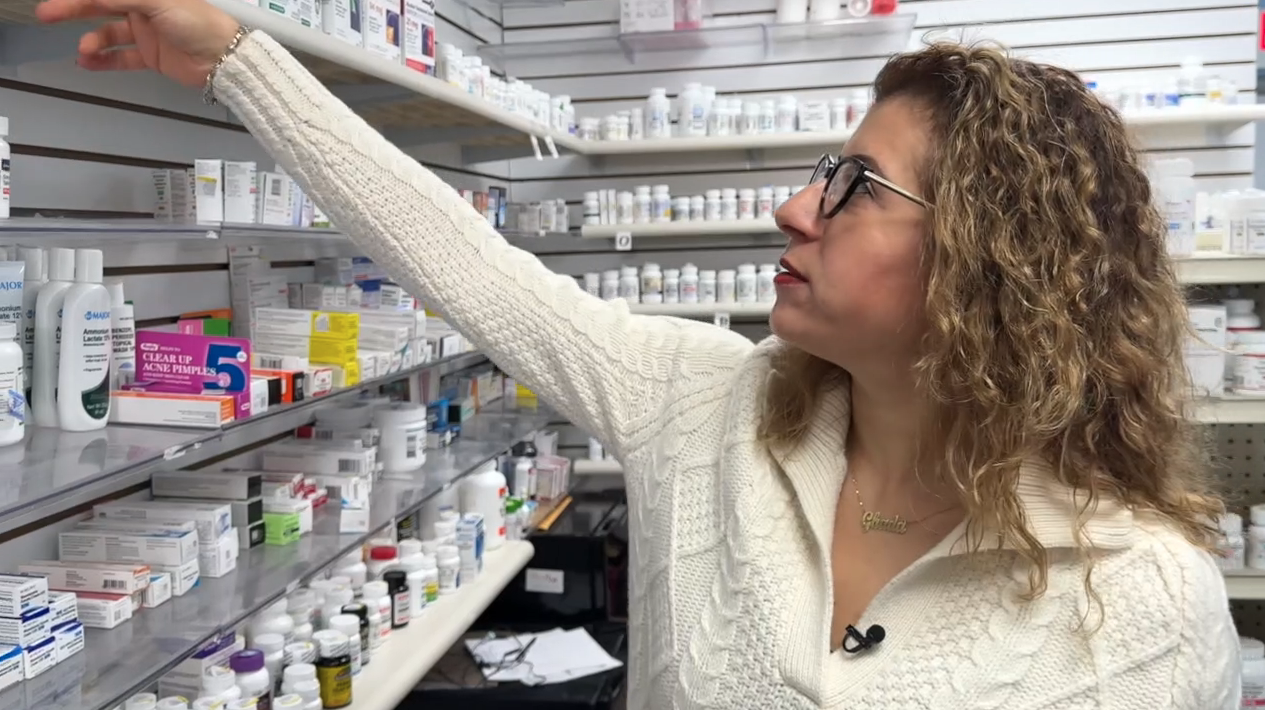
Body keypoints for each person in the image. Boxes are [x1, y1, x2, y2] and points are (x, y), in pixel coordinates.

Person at [34, 0, 1240, 704]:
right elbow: (465, 262)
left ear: (992, 260)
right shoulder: (705, 402)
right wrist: (234, 56)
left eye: (854, 186)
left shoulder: (1141, 594)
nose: (793, 207)